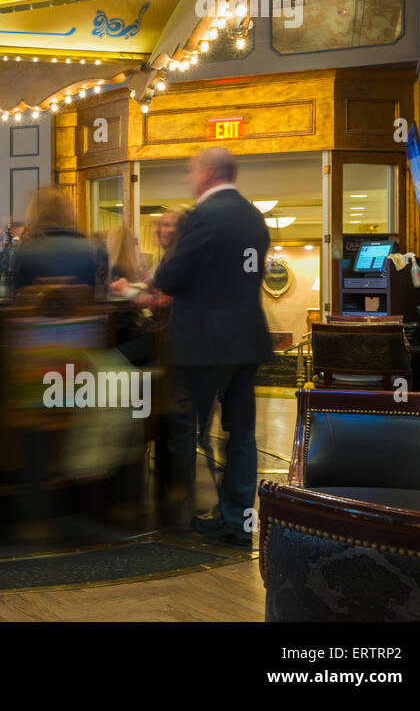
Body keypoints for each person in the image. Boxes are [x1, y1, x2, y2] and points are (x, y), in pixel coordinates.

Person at [152, 147, 273, 548]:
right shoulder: (254, 216)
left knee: (185, 430)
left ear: (206, 172)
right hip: (247, 338)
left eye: (190, 170)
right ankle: (238, 520)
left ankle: (180, 514)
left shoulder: (202, 216)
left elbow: (170, 277)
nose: (189, 177)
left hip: (204, 342)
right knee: (241, 435)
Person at [6, 187, 103, 292]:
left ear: (34, 214)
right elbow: (103, 295)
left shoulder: (22, 252)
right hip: (84, 308)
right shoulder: (94, 249)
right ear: (71, 212)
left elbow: (13, 294)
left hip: (36, 308)